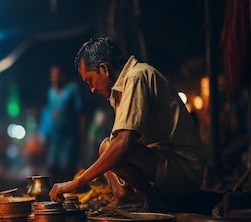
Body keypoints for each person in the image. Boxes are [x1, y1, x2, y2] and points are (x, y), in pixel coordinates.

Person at [49, 37, 207, 212]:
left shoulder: (136, 77)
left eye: (90, 81)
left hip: (183, 171)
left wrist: (77, 183)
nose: (92, 89)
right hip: (163, 165)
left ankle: (153, 201)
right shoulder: (120, 89)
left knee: (112, 146)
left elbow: (123, 144)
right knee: (107, 146)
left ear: (104, 69)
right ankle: (124, 198)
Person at [39, 64, 85, 183]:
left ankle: (70, 194)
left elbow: (81, 112)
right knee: (52, 167)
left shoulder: (72, 89)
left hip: (69, 137)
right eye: (53, 74)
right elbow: (50, 113)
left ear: (63, 76)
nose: (55, 77)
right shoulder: (51, 92)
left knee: (67, 167)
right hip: (54, 138)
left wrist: (82, 134)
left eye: (58, 74)